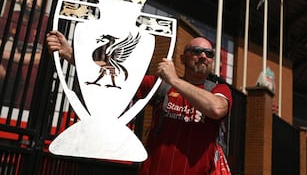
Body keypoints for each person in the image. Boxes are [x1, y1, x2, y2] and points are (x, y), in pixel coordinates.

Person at [46, 30, 233, 174]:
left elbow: (216, 109)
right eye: (197, 51)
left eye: (209, 53)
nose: (203, 57)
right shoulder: (160, 86)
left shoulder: (219, 90)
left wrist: (175, 80)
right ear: (183, 58)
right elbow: (114, 77)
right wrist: (69, 53)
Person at [0, 0, 48, 109]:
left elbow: (42, 57)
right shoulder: (12, 17)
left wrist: (6, 55)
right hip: (18, 71)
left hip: (35, 77)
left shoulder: (46, 22)